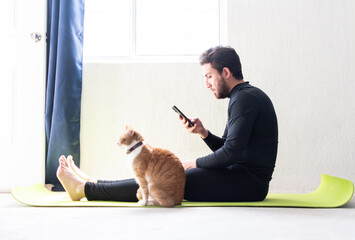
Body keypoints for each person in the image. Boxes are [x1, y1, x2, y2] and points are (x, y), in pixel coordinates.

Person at [57, 46, 278, 202]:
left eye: (209, 76)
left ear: (226, 72)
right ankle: (93, 182)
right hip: (239, 177)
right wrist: (204, 133)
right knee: (165, 171)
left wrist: (192, 163)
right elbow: (232, 150)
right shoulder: (243, 97)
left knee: (168, 177)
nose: (207, 83)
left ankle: (85, 189)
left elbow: (230, 154)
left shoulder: (245, 99)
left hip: (249, 185)